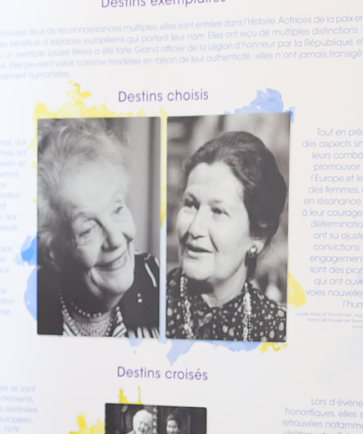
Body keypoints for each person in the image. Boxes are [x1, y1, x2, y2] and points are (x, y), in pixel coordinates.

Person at [36, 120, 160, 338]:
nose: (116, 239)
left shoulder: (156, 281)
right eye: (88, 230)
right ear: (52, 254)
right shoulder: (30, 312)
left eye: (117, 209)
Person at [167, 130, 287, 342]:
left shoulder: (279, 329)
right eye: (190, 205)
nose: (195, 228)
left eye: (218, 211)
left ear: (257, 235)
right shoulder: (148, 305)